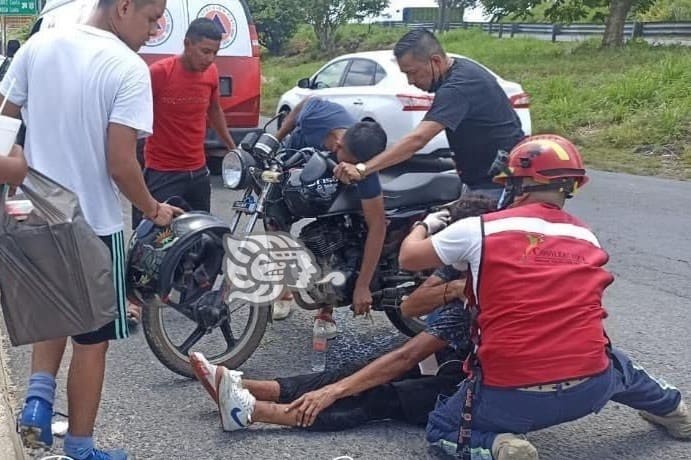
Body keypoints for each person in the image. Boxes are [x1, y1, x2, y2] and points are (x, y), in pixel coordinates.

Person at [397, 134, 691, 460]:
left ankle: (498, 448)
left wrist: (426, 224)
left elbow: (409, 259)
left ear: (519, 183)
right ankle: (675, 411)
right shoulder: (585, 235)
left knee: (441, 428)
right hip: (591, 386)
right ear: (570, 187)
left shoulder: (478, 229)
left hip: (510, 395)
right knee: (620, 366)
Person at [0, 0, 183, 458]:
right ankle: (81, 447)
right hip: (92, 225)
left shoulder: (38, 46)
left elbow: (5, 123)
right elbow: (121, 164)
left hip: (28, 211)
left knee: (53, 308)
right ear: (122, 7)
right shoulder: (127, 67)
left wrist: (15, 168)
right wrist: (153, 208)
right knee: (92, 342)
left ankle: (38, 403)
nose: (157, 27)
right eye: (151, 16)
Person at [189, 193, 499, 432]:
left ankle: (257, 412)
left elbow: (408, 356)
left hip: (478, 388)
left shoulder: (483, 286)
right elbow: (409, 306)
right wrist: (453, 287)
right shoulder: (462, 266)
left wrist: (332, 393)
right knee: (362, 367)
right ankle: (254, 388)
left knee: (382, 394)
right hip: (454, 358)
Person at [333, 29, 525, 201]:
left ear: (436, 61)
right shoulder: (463, 70)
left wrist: (363, 169)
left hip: (497, 183)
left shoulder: (457, 87)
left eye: (413, 72)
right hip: (490, 175)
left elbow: (418, 139)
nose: (410, 81)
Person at [272, 102, 387, 337]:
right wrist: (276, 140)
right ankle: (283, 290)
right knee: (274, 218)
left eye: (357, 164)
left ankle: (326, 309)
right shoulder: (320, 114)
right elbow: (303, 105)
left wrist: (363, 286)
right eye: (350, 159)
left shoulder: (362, 171)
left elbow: (378, 226)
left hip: (330, 182)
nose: (336, 146)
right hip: (295, 159)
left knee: (333, 233)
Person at [131, 18, 236, 230]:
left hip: (197, 171)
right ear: (187, 44)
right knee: (157, 236)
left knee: (201, 234)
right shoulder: (159, 73)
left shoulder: (211, 73)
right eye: (205, 51)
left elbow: (214, 110)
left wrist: (233, 149)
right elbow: (133, 117)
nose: (210, 59)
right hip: (163, 171)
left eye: (215, 53)